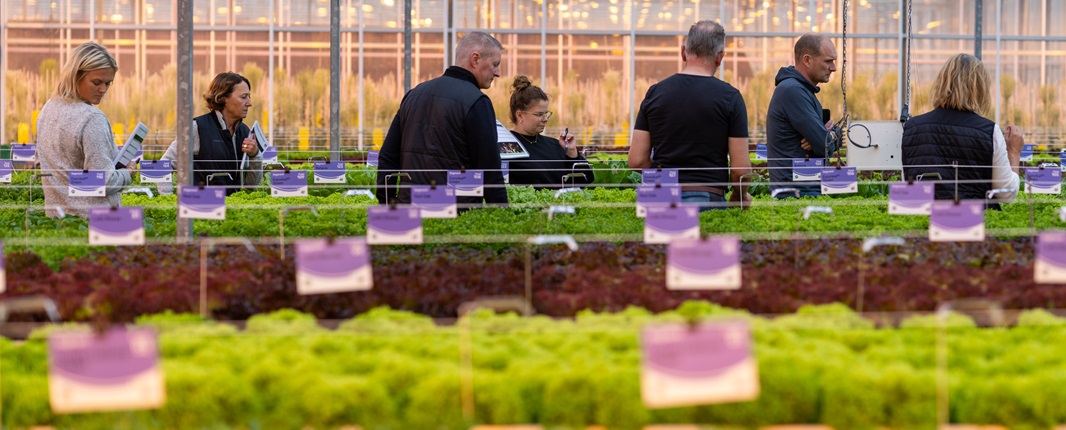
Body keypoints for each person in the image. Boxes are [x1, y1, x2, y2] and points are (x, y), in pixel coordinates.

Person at [627, 20, 752, 210]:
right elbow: (740, 170)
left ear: (683, 51)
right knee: (701, 241)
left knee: (662, 240)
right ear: (720, 57)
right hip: (707, 197)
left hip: (659, 196)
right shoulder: (730, 98)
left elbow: (636, 160)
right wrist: (739, 195)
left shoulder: (655, 93)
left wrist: (665, 177)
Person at [375, 32, 508, 207]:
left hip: (410, 210)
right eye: (495, 65)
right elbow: (490, 170)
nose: (498, 73)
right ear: (475, 59)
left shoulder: (414, 94)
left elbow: (387, 157)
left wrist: (389, 206)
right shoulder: (476, 102)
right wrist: (502, 216)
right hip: (456, 215)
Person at [902, 53, 1021, 208]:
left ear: (941, 82)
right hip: (973, 225)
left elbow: (908, 184)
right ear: (980, 88)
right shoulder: (988, 131)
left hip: (924, 224)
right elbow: (1006, 193)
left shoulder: (912, 127)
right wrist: (1014, 153)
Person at [36, 42, 132, 218]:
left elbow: (40, 163)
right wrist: (128, 172)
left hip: (56, 220)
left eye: (108, 83)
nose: (103, 89)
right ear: (75, 75)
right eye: (96, 82)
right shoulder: (92, 119)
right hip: (97, 222)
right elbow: (105, 182)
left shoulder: (47, 109)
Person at [159, 72, 262, 195]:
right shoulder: (197, 127)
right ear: (223, 98)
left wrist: (255, 155)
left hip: (232, 210)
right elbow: (164, 165)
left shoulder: (245, 132)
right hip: (201, 209)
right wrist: (168, 201)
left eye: (249, 97)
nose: (249, 103)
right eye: (243, 97)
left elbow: (250, 187)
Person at [766, 33, 842, 198]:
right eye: (828, 61)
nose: (834, 68)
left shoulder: (802, 90)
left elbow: (822, 140)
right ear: (807, 60)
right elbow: (824, 144)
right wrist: (830, 134)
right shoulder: (793, 91)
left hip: (804, 191)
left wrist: (825, 134)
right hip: (794, 195)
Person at [507, 76, 595, 189]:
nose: (545, 119)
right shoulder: (506, 148)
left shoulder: (555, 146)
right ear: (519, 115)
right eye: (539, 114)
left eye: (546, 113)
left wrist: (572, 154)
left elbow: (585, 181)